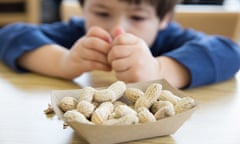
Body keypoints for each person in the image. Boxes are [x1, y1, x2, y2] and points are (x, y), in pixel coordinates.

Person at [0, 0, 239, 89]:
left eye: (137, 17)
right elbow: (11, 34)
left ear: (164, 19)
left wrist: (159, 71)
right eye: (102, 13)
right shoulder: (76, 32)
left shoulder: (172, 39)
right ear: (83, 8)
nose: (118, 30)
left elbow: (230, 52)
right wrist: (61, 61)